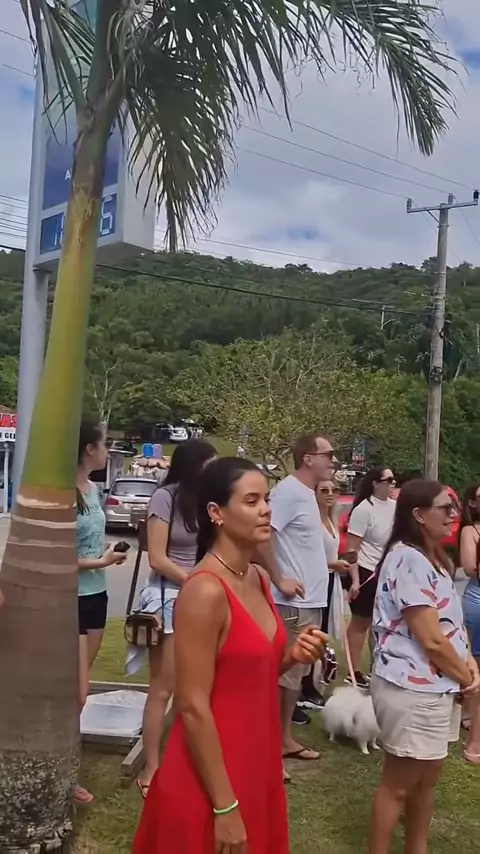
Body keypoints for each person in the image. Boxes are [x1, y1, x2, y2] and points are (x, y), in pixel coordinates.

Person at [132, 457, 328, 854]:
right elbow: (192, 705)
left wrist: (292, 656)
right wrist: (225, 806)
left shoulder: (257, 577)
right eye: (251, 501)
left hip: (257, 760)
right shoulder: (205, 591)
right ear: (216, 513)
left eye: (267, 499)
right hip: (210, 774)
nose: (266, 510)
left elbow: (248, 675)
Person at [369, 479, 479, 854]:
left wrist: (467, 662)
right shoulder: (409, 559)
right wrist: (467, 678)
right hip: (412, 689)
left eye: (454, 507)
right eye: (445, 508)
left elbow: (450, 625)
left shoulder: (433, 558)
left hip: (437, 686)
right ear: (418, 514)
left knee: (426, 782)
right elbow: (430, 638)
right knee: (399, 785)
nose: (454, 514)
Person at [137, 439, 217, 797]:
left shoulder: (207, 501)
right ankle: (152, 766)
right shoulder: (164, 498)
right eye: (209, 464)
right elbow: (157, 558)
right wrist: (193, 582)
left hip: (202, 598)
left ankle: (189, 758)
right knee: (163, 685)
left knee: (200, 684)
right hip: (170, 597)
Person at [256, 434, 336, 766]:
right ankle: (273, 742)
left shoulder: (306, 494)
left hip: (310, 601)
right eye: (328, 454)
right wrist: (279, 578)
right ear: (308, 458)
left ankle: (283, 738)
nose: (334, 460)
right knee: (284, 674)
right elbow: (262, 536)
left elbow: (300, 545)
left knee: (296, 674)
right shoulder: (288, 492)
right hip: (293, 604)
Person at [76, 421, 128, 804]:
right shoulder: (62, 492)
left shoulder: (93, 489)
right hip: (72, 597)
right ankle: (63, 771)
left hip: (98, 594)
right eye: (104, 444)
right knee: (76, 692)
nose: (107, 451)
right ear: (89, 449)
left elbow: (89, 540)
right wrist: (101, 562)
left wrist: (107, 553)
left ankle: (66, 764)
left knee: (82, 683)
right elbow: (57, 554)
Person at [296, 479, 358, 714]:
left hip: (330, 581)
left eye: (335, 490)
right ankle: (302, 688)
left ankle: (311, 683)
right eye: (324, 490)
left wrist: (339, 562)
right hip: (313, 582)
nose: (330, 494)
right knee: (310, 632)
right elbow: (304, 556)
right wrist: (332, 564)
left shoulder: (331, 519)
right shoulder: (310, 521)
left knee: (321, 634)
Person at [345, 466, 396, 688]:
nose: (393, 484)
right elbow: (352, 549)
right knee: (361, 623)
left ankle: (378, 669)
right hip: (366, 571)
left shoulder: (395, 507)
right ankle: (353, 670)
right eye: (388, 480)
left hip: (387, 571)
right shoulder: (364, 509)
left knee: (382, 623)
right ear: (375, 483)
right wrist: (355, 580)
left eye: (394, 480)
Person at [459, 483, 480, 762]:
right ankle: (469, 717)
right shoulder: (470, 531)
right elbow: (469, 567)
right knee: (476, 662)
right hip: (478, 600)